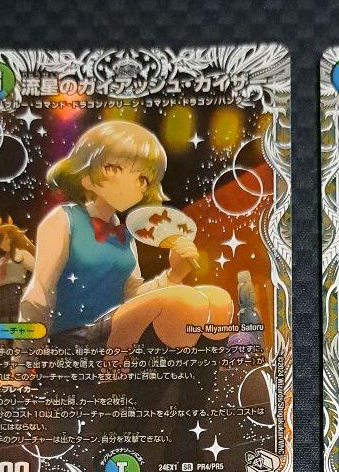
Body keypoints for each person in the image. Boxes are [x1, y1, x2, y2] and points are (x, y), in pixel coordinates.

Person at [19, 120, 233, 350]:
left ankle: (193, 375)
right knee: (187, 301)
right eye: (116, 168)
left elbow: (134, 296)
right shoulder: (64, 219)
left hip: (116, 330)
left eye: (144, 179)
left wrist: (175, 274)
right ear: (89, 175)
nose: (139, 185)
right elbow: (39, 294)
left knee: (218, 301)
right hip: (72, 338)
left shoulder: (124, 236)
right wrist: (23, 360)